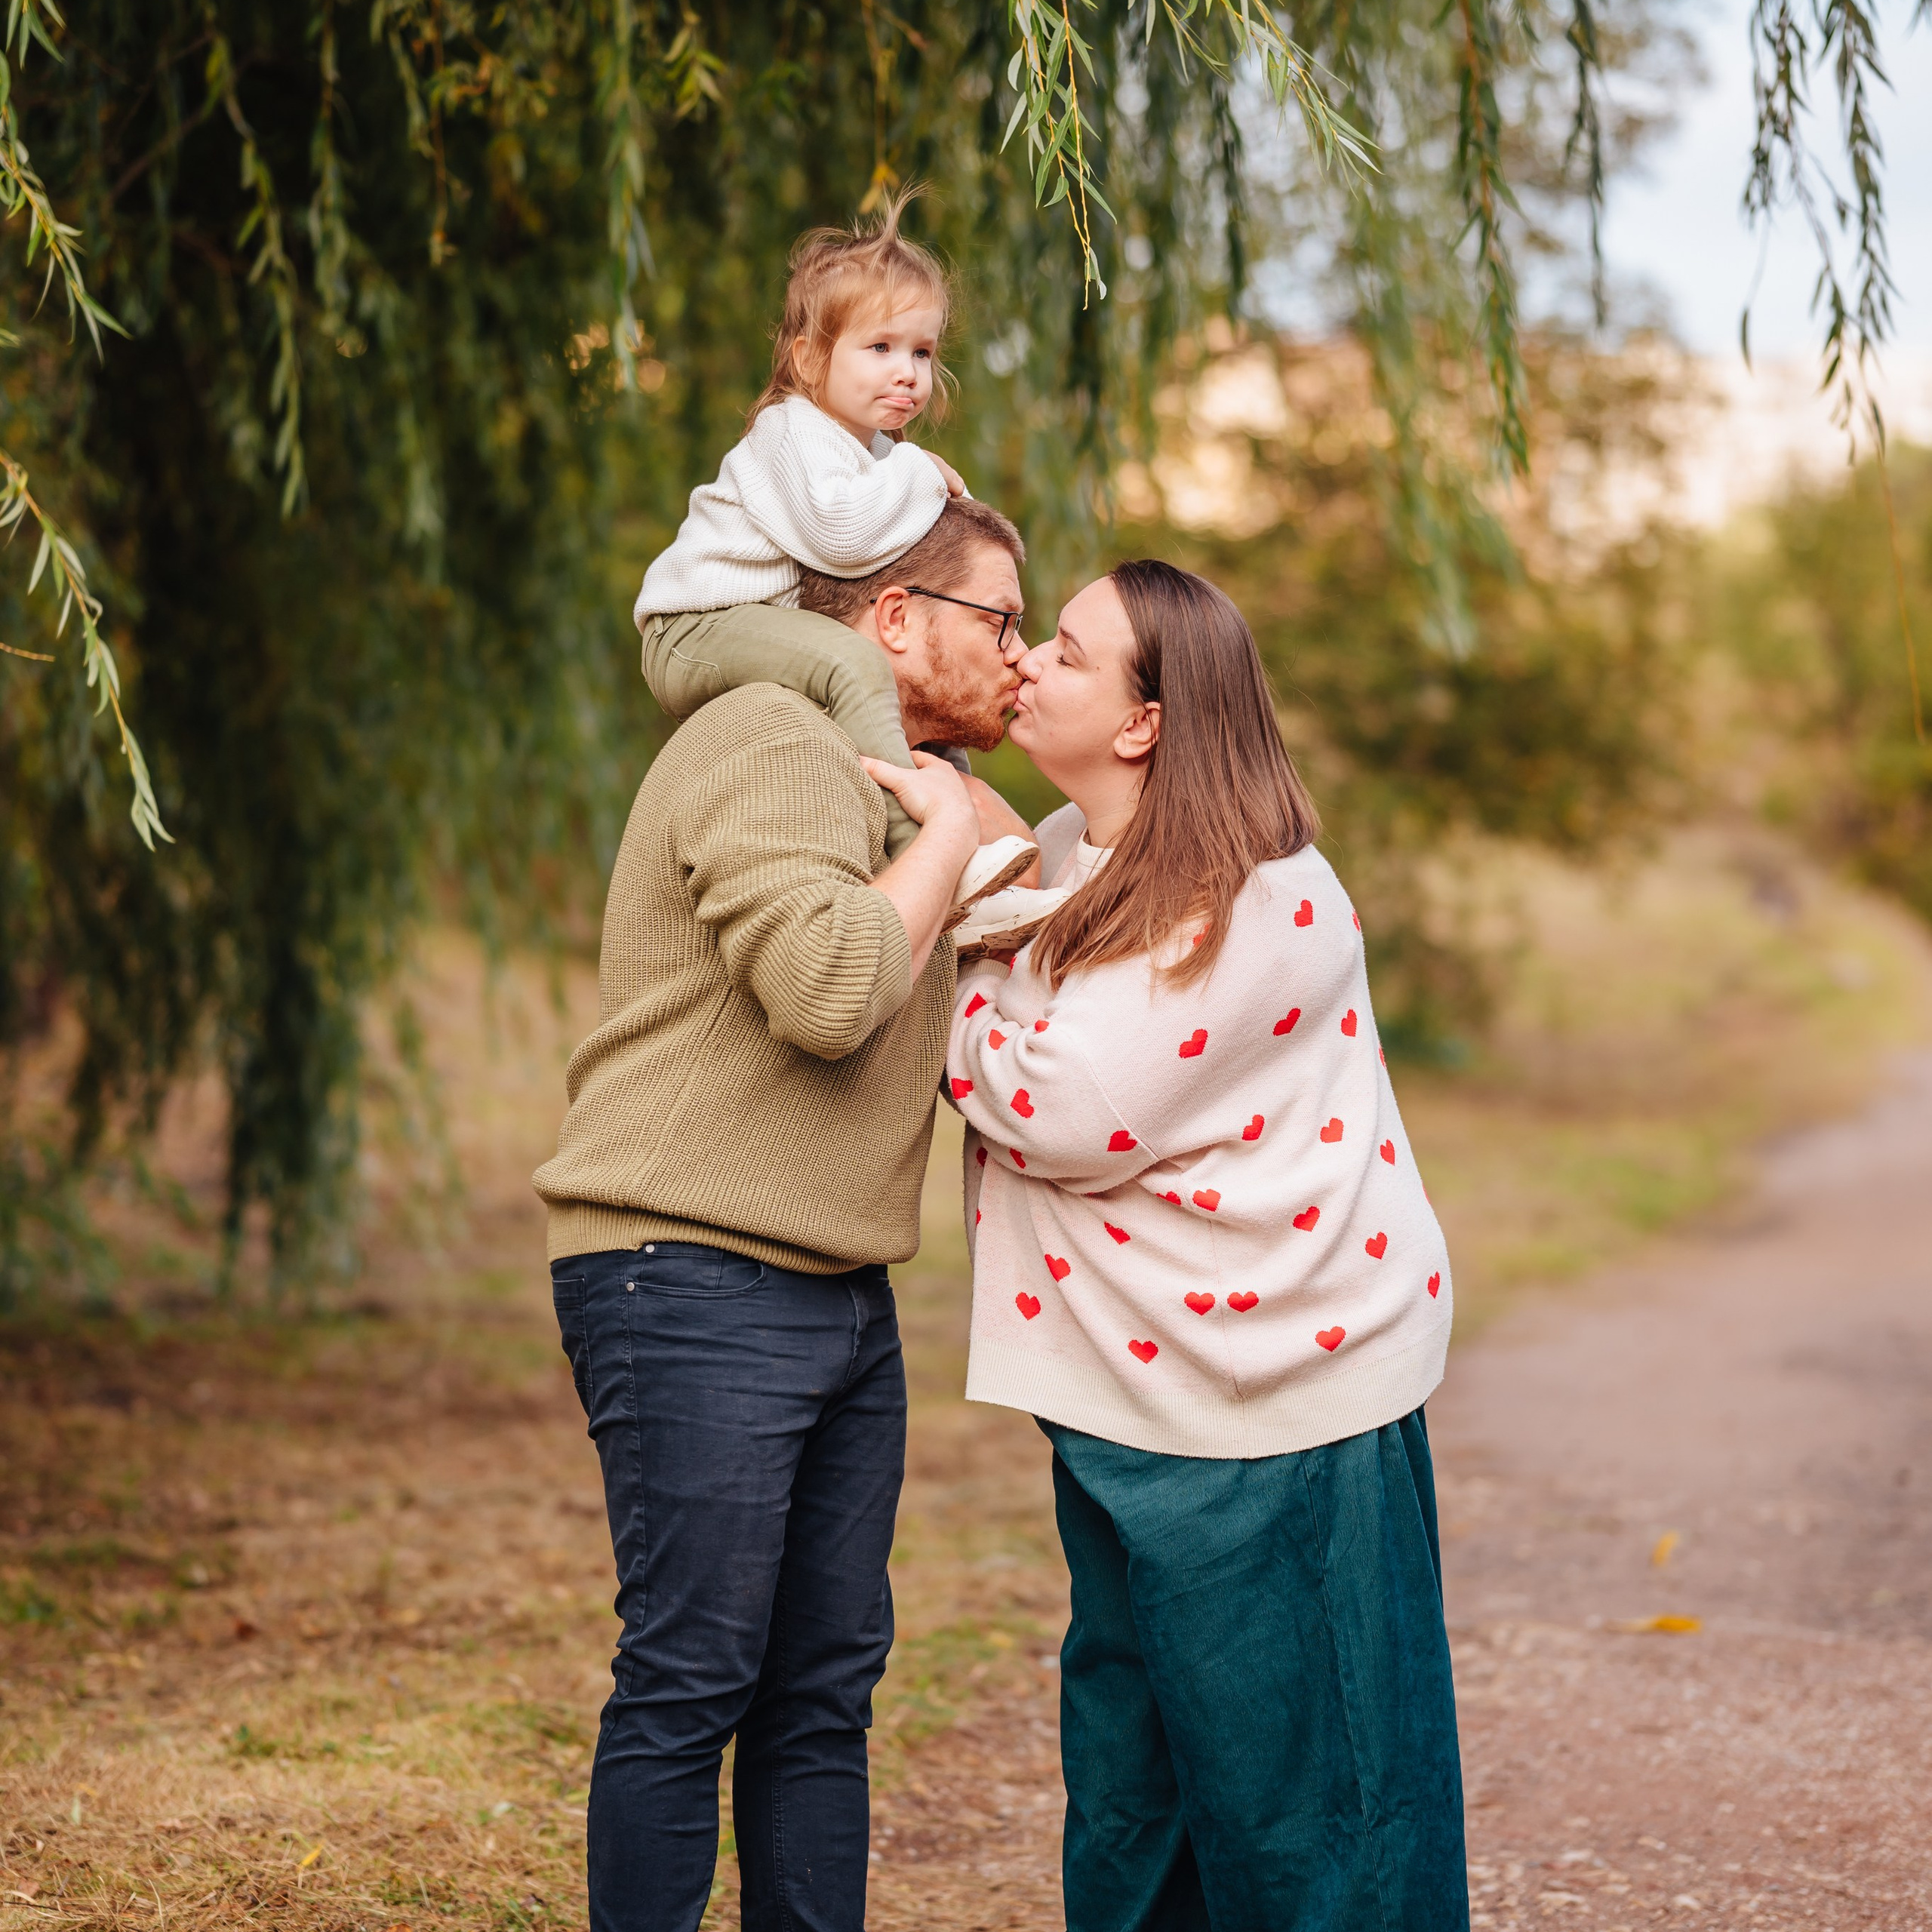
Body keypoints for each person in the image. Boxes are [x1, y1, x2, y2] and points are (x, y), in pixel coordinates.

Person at [943, 561, 1469, 1931]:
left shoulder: (1257, 898)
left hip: (1273, 1399)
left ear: (1143, 724)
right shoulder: (1073, 854)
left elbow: (1062, 1105)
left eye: (1064, 649)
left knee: (1313, 1803)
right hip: (1131, 1388)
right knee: (1138, 1777)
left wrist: (961, 913)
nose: (1028, 662)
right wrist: (1000, 882)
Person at [534, 497, 1026, 1932]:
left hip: (837, 1290)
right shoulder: (773, 736)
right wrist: (942, 838)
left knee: (822, 1689)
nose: (1020, 649)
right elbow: (825, 994)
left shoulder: (903, 783)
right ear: (889, 620)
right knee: (695, 1674)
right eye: (998, 618)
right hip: (683, 1267)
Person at [632, 190, 1034, 906]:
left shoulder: (870, 451)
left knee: (935, 722)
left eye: (922, 351)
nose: (907, 372)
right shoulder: (789, 432)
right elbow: (843, 538)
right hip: (693, 628)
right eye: (880, 348)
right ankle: (919, 855)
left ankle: (976, 862)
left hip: (757, 625)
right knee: (852, 659)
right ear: (811, 358)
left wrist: (911, 473)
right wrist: (918, 471)